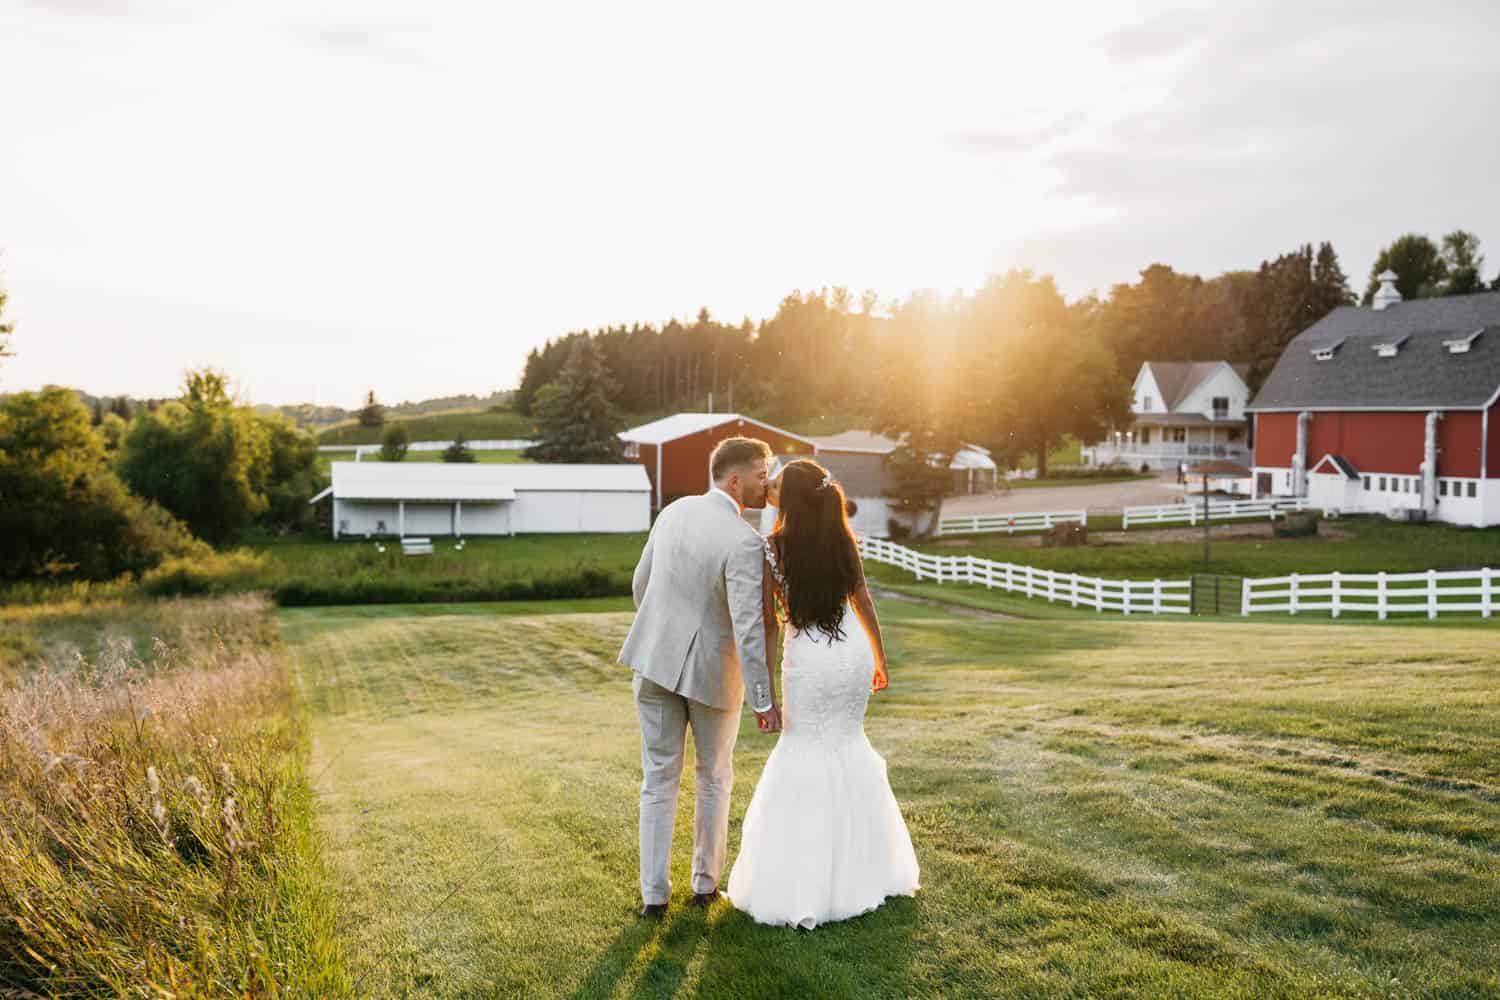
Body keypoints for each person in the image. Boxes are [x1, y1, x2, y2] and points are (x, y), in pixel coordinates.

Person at [726, 458, 920, 929]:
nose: (767, 488)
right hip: (851, 651)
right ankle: (866, 871)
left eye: (775, 486)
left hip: (809, 660)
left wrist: (765, 689)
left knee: (805, 748)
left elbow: (770, 623)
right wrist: (879, 658)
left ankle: (806, 880)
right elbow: (864, 601)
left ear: (789, 500)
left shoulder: (771, 548)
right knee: (848, 745)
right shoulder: (840, 539)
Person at [618, 437, 782, 918]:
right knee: (713, 777)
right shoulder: (744, 541)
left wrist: (660, 635)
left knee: (658, 779)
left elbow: (639, 585)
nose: (765, 482)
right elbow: (751, 627)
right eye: (760, 473)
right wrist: (763, 699)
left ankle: (654, 897)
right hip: (713, 675)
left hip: (654, 663)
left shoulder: (672, 513)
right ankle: (706, 886)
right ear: (735, 479)